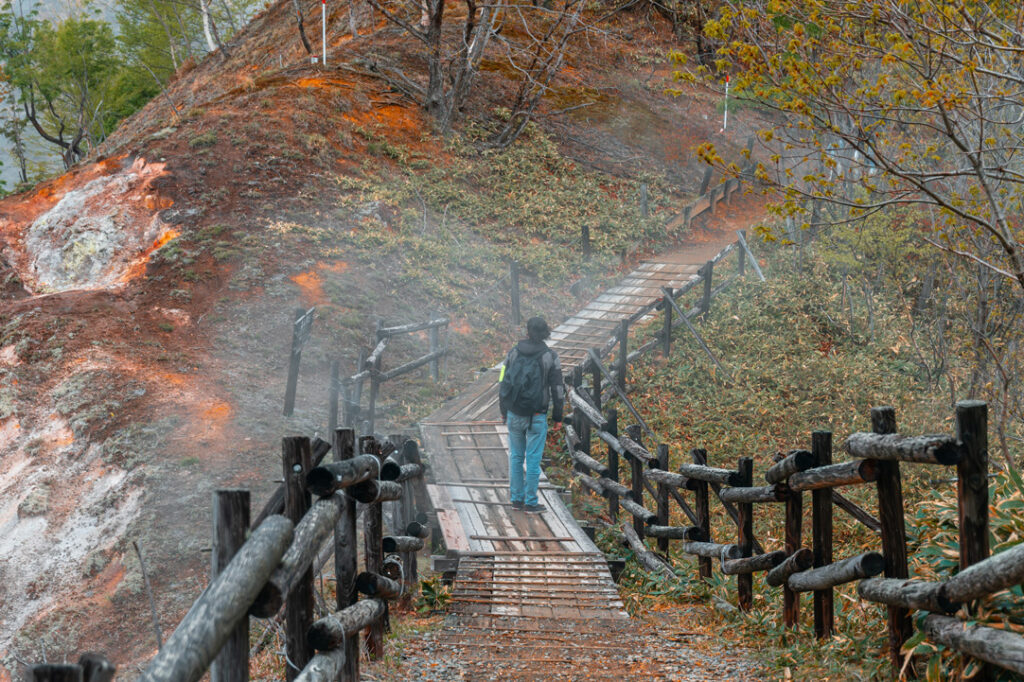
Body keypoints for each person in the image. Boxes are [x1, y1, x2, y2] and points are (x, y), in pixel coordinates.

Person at [498, 316, 564, 513]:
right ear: (546, 332)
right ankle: (531, 502)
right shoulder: (551, 357)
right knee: (533, 460)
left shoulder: (513, 353)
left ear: (527, 331)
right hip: (537, 414)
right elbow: (558, 389)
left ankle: (516, 500)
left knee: (516, 457)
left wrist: (504, 411)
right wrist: (558, 416)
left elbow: (502, 382)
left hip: (514, 412)